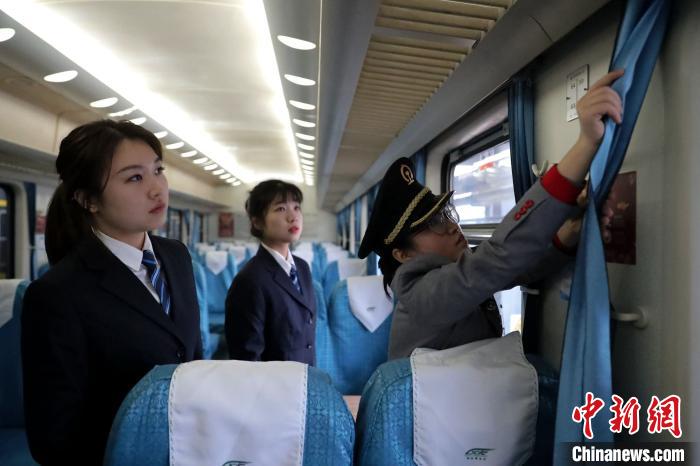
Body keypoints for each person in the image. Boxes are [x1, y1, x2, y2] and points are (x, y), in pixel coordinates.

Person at [358, 70, 624, 360]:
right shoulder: (421, 295)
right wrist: (586, 143)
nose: (451, 226)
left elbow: (518, 267)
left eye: (446, 214)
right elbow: (499, 258)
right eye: (433, 224)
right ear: (402, 255)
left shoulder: (451, 272)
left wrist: (570, 231)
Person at [21, 120, 202, 465]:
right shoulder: (58, 294)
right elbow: (53, 439)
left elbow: (192, 356)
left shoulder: (176, 256)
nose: (157, 189)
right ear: (89, 199)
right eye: (134, 178)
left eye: (158, 171)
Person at [225, 180, 316, 365]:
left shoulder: (303, 268)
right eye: (281, 209)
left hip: (306, 375)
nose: (293, 217)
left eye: (296, 207)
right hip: (275, 382)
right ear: (257, 222)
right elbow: (247, 360)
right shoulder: (250, 280)